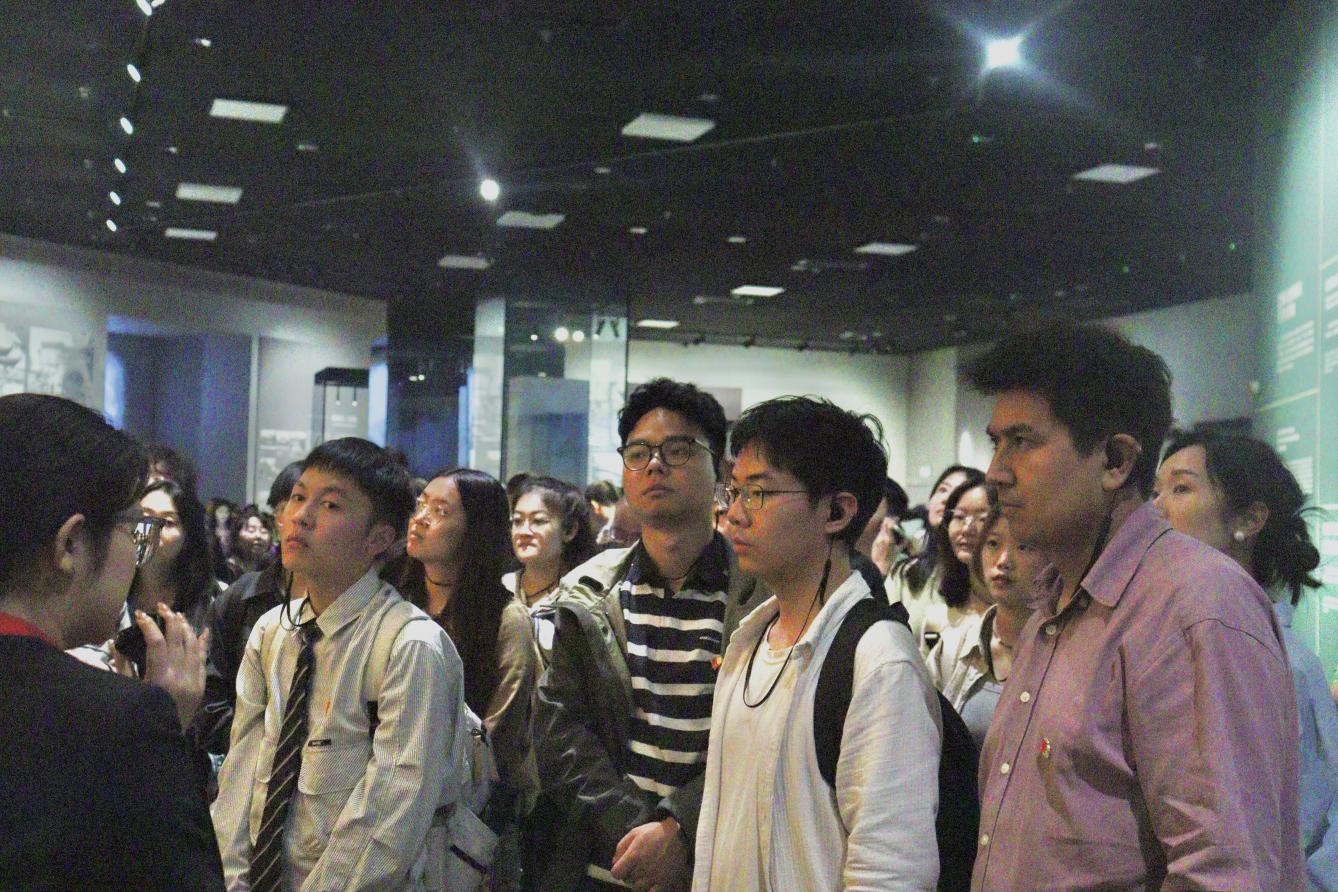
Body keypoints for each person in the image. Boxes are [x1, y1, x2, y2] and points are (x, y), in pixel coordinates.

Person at [966, 323, 1302, 891]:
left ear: (1116, 461)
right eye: (996, 442)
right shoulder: (1053, 604)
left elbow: (1225, 870)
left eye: (1022, 442)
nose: (996, 472)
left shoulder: (1195, 605)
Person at [694, 396, 941, 890]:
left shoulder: (879, 660)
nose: (733, 514)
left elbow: (891, 871)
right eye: (733, 492)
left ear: (836, 511)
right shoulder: (748, 641)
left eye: (758, 494)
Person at [531, 378, 765, 892]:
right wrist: (639, 836)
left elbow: (767, 740)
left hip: (715, 866)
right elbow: (560, 733)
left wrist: (679, 829)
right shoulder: (588, 593)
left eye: (677, 450)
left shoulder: (760, 596)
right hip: (603, 867)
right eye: (638, 453)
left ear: (721, 471)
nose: (655, 465)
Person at [212, 438, 468, 890]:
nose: (300, 516)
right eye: (298, 497)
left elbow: (390, 820)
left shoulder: (409, 644)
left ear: (378, 539)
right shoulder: (272, 631)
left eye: (330, 505)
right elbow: (240, 775)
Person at [0, 393, 222, 889]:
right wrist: (164, 735)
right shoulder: (119, 720)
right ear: (70, 544)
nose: (138, 554)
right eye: (135, 529)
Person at [1155, 431, 1338, 891]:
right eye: (1156, 491)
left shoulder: (1282, 663)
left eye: (1181, 488)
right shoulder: (1171, 640)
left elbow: (1297, 832)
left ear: (1249, 519)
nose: (1156, 508)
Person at [400, 467, 542, 890]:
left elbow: (499, 732)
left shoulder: (505, 619)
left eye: (441, 511)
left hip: (463, 817)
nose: (421, 518)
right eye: (421, 505)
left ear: (476, 530)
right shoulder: (395, 601)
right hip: (389, 800)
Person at [193, 461, 302, 758]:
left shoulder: (344, 605)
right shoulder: (242, 596)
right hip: (243, 761)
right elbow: (210, 688)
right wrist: (252, 747)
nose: (302, 518)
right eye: (293, 504)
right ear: (276, 517)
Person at [930, 508, 1042, 751]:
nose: (1003, 561)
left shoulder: (1066, 652)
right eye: (993, 544)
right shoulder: (955, 646)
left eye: (1023, 547)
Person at [886, 465, 982, 647]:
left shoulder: (984, 578)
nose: (946, 498)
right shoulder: (906, 573)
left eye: (957, 493)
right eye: (942, 489)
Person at [923, 478, 994, 670]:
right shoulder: (937, 619)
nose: (967, 528)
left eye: (983, 519)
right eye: (960, 517)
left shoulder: (1014, 616)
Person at [507, 476, 598, 611]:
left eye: (538, 521)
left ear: (569, 531)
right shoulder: (499, 588)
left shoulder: (585, 597)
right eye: (517, 521)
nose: (524, 531)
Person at [225, 504, 274, 580]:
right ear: (236, 536)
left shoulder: (271, 568)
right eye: (251, 530)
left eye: (263, 531)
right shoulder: (228, 570)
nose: (258, 536)